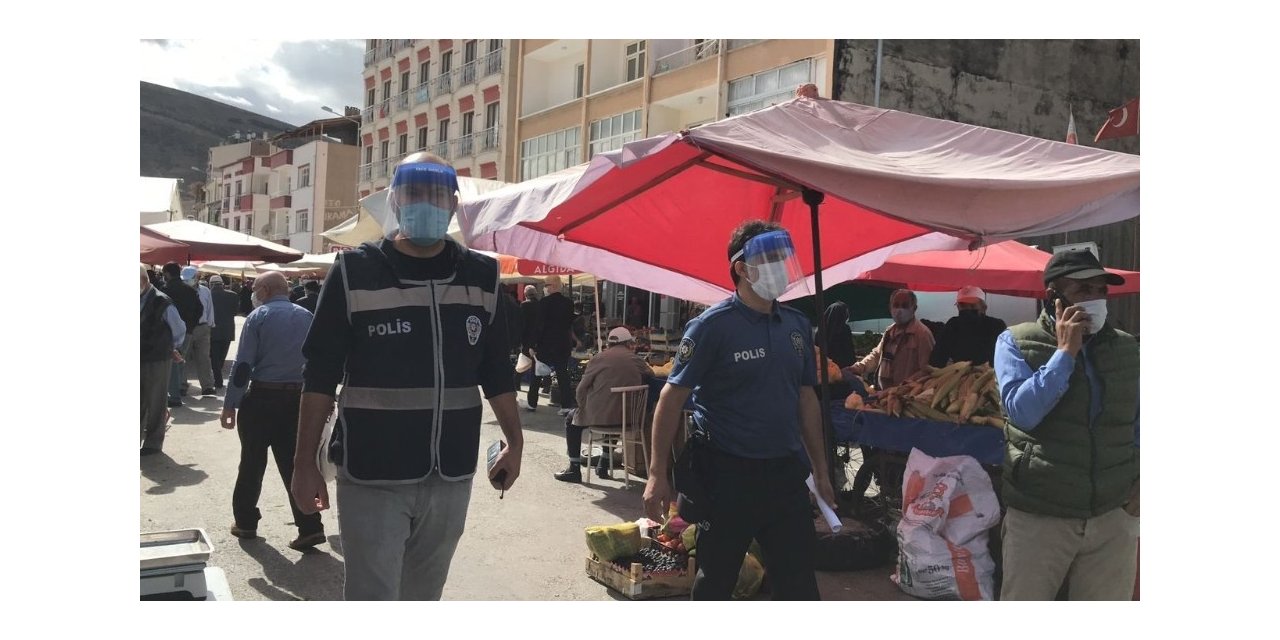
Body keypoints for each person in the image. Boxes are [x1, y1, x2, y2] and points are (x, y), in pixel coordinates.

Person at [290, 152, 524, 601]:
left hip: (451, 473)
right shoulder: (354, 272)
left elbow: (496, 370)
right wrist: (303, 465)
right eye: (415, 192)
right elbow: (319, 374)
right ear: (396, 201)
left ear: (453, 204)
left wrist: (515, 442)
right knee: (373, 600)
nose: (426, 203)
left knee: (423, 598)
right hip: (372, 472)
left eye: (437, 194)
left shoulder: (482, 275)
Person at [642, 221, 836, 601]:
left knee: (798, 585)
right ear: (742, 269)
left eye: (782, 257)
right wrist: (656, 474)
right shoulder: (711, 327)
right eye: (769, 258)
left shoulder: (797, 326)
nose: (780, 266)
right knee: (716, 581)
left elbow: (806, 400)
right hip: (727, 476)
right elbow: (671, 398)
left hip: (785, 475)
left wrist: (821, 471)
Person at [994, 249, 1139, 601]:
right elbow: (1023, 413)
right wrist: (1064, 354)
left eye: (1101, 290)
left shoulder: (1126, 348)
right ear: (1053, 297)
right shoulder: (1015, 341)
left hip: (1112, 515)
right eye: (1083, 290)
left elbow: (1138, 419)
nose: (1096, 299)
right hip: (1041, 513)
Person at [219, 272, 325, 550]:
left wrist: (231, 404)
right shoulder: (306, 316)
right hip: (298, 400)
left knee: (251, 463)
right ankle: (311, 526)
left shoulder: (259, 317)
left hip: (262, 398)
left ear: (264, 289)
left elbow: (243, 365)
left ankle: (245, 522)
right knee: (298, 463)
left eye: (255, 288)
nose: (254, 294)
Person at [554, 327, 652, 482]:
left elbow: (581, 389)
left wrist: (582, 407)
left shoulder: (598, 359)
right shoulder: (637, 360)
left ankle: (574, 468)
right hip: (630, 420)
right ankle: (604, 463)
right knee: (616, 413)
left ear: (609, 343)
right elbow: (651, 374)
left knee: (571, 419)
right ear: (628, 343)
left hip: (600, 418)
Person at [841, 289, 935, 390]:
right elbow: (877, 356)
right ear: (890, 308)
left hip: (906, 394)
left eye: (905, 306)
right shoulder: (890, 331)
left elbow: (927, 370)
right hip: (883, 393)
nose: (899, 310)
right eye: (896, 305)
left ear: (914, 308)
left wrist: (903, 386)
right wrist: (858, 368)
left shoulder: (922, 334)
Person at [141, 265, 186, 456]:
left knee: (156, 400)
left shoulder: (162, 301)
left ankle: (153, 442)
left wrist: (172, 347)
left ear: (143, 281)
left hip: (157, 357)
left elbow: (179, 329)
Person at [526, 275, 579, 416]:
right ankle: (566, 405)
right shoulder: (568, 303)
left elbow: (539, 325)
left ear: (553, 286)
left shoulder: (544, 302)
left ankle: (532, 402)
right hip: (562, 344)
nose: (545, 288)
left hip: (545, 344)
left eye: (546, 285)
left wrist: (532, 344)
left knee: (537, 373)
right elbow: (569, 323)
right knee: (562, 375)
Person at [929, 285, 1008, 367]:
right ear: (958, 307)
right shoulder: (952, 325)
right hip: (961, 373)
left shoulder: (996, 326)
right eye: (963, 306)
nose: (967, 310)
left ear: (984, 307)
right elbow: (937, 359)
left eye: (972, 306)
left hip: (990, 373)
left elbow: (1007, 357)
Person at [160, 262, 202, 407]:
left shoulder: (165, 290)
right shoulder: (190, 290)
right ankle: (178, 389)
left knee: (171, 364)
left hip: (169, 333)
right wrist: (191, 325)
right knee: (180, 362)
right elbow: (199, 309)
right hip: (187, 331)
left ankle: (174, 396)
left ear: (167, 274)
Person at [182, 265, 217, 397]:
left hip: (202, 327)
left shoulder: (205, 291)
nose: (187, 281)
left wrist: (210, 324)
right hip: (186, 328)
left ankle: (207, 386)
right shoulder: (182, 291)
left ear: (197, 277)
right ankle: (181, 385)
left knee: (204, 358)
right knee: (183, 359)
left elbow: (209, 308)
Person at [208, 275, 240, 390]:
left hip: (212, 330)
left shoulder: (208, 295)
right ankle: (218, 377)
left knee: (214, 356)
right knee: (222, 356)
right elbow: (235, 312)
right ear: (222, 284)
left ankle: (217, 379)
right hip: (228, 330)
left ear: (211, 284)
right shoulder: (233, 295)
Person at [518, 284, 541, 397]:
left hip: (526, 338)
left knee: (523, 360)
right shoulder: (541, 305)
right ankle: (546, 384)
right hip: (539, 338)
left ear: (525, 294)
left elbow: (521, 323)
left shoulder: (524, 305)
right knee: (538, 362)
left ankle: (516, 383)